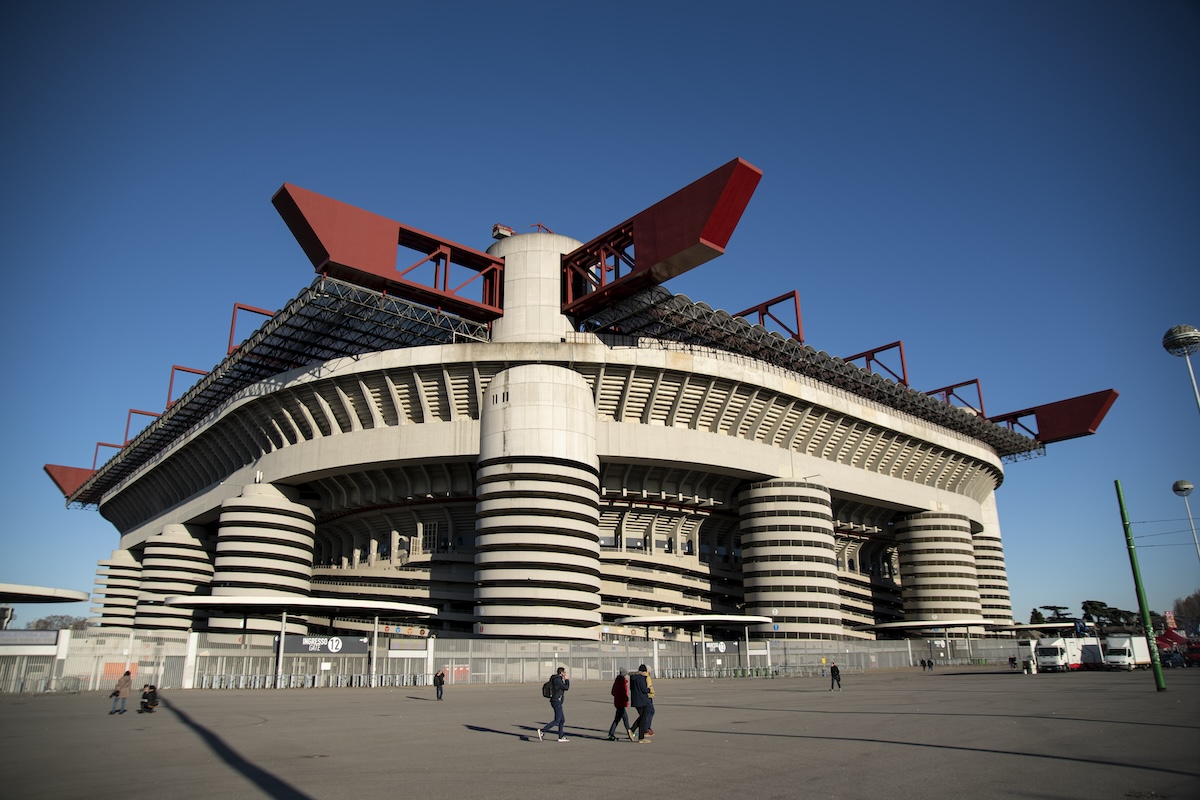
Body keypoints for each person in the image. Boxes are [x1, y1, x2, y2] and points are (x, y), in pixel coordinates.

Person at [536, 667, 570, 742]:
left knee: (562, 720)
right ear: (561, 673)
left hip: (557, 701)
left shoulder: (556, 679)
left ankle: (561, 736)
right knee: (557, 720)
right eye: (564, 672)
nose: (565, 674)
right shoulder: (557, 680)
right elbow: (566, 687)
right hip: (556, 701)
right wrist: (567, 680)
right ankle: (542, 730)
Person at [629, 664, 655, 743]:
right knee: (643, 718)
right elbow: (644, 689)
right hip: (642, 700)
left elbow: (631, 688)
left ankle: (633, 731)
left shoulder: (633, 678)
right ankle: (639, 736)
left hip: (635, 700)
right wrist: (649, 690)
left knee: (642, 717)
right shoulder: (642, 678)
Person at [606, 668, 633, 741]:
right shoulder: (622, 682)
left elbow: (613, 692)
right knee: (621, 719)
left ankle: (629, 732)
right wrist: (626, 698)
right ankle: (612, 734)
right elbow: (623, 693)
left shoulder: (617, 681)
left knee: (621, 719)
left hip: (618, 702)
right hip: (621, 703)